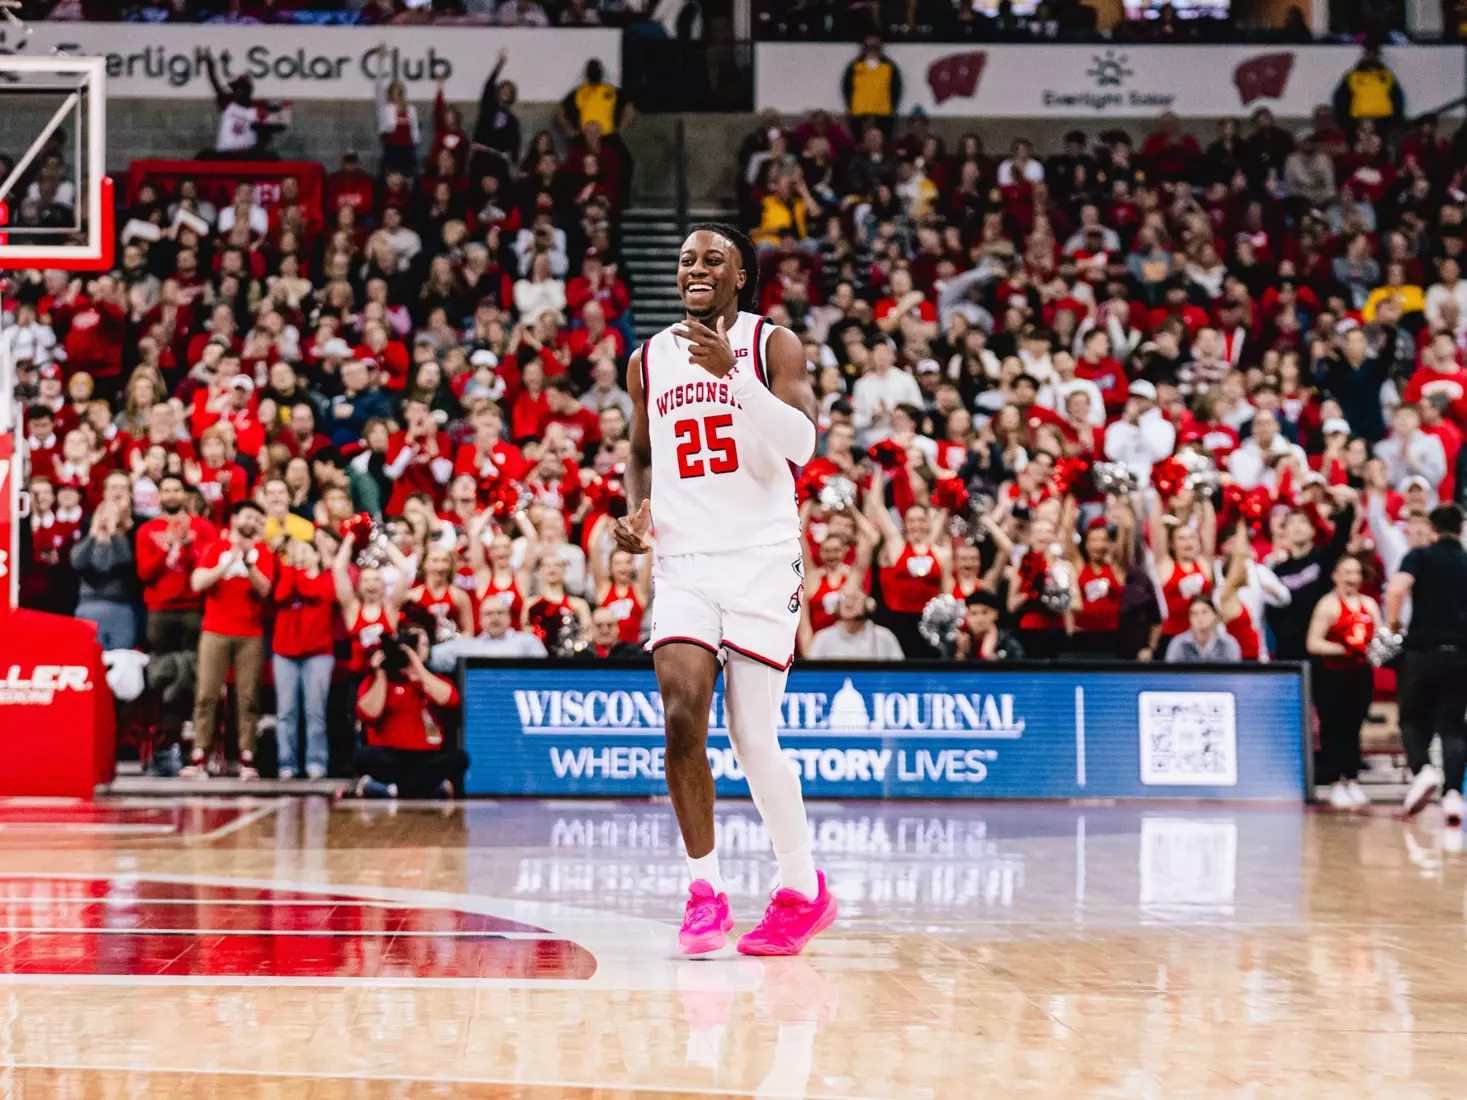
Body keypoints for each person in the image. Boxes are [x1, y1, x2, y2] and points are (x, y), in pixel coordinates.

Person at [614, 224, 836, 958]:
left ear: (740, 276)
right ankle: (703, 892)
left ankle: (802, 889)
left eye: (713, 259)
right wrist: (639, 510)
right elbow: (642, 453)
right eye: (684, 259)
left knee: (751, 738)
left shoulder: (773, 345)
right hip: (683, 561)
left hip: (762, 560)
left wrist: (732, 377)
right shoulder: (646, 359)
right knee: (681, 718)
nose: (695, 269)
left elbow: (803, 446)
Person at [1387, 504, 1467, 822]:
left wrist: (1393, 626)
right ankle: (1453, 795)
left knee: (1412, 718)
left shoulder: (1419, 556)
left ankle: (1423, 771)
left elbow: (1396, 589)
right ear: (1461, 528)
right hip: (1461, 654)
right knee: (1453, 726)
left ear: (1432, 529)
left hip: (1424, 651)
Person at [187, 499, 276, 778]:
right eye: (249, 517)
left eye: (258, 520)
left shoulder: (263, 552)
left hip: (250, 633)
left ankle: (247, 756)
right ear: (235, 518)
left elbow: (265, 590)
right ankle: (200, 754)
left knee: (248, 697)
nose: (253, 523)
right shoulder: (216, 548)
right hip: (215, 629)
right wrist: (225, 564)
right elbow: (197, 583)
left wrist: (249, 563)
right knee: (206, 694)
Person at [352, 624, 469, 800]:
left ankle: (388, 790)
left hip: (427, 757)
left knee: (458, 759)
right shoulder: (376, 679)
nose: (413, 650)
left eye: (420, 645)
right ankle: (429, 789)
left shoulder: (436, 678)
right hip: (389, 756)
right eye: (410, 644)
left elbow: (450, 700)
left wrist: (417, 668)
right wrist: (381, 673)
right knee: (363, 757)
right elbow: (368, 714)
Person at [1306, 556, 1380, 810]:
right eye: (1346, 572)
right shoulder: (1327, 605)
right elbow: (1313, 643)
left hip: (1359, 675)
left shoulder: (1369, 605)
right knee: (1333, 727)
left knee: (1353, 726)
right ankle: (1335, 781)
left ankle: (1352, 779)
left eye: (1356, 573)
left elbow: (1378, 639)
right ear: (1335, 576)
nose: (1352, 578)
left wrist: (1374, 651)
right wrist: (1344, 648)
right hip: (1332, 676)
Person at [271, 535, 337, 780]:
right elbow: (280, 595)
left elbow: (313, 591)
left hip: (318, 654)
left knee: (315, 712)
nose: (301, 554)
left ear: (317, 555)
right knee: (285, 712)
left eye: (306, 550)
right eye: (296, 550)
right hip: (285, 653)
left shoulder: (325, 579)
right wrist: (291, 569)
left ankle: (316, 762)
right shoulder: (286, 576)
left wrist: (297, 572)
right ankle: (286, 763)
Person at [70, 499, 136, 649]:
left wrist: (113, 532)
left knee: (121, 658)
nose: (107, 518)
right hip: (89, 607)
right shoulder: (87, 542)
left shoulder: (125, 542)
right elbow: (76, 562)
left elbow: (125, 560)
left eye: (112, 514)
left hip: (120, 608)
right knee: (90, 656)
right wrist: (93, 533)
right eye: (103, 513)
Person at [806, 586, 902, 660]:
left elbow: (900, 674)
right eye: (844, 597)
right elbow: (810, 677)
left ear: (868, 605)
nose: (849, 602)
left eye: (854, 597)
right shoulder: (823, 638)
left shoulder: (884, 637)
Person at [1165, 598, 1243, 662]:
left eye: (1204, 612)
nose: (1200, 617)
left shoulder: (1228, 643)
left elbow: (1234, 676)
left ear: (1215, 616)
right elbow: (1170, 674)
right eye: (1194, 613)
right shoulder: (1179, 643)